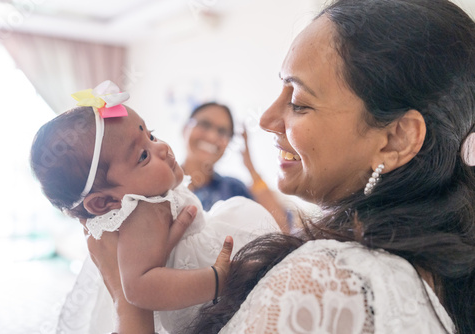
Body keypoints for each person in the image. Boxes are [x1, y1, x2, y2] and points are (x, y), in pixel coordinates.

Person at [85, 0, 475, 333]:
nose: (266, 119)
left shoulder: (328, 279)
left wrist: (128, 302)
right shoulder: (434, 265)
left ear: (395, 139)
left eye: (300, 102)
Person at [29, 81, 280, 333]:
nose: (160, 147)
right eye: (143, 155)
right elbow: (139, 288)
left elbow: (283, 220)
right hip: (204, 295)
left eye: (150, 135)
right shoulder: (143, 207)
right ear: (104, 202)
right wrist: (217, 279)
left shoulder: (213, 187)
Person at [182, 102, 292, 233]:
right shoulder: (161, 177)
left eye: (222, 132)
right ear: (185, 128)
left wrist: (250, 167)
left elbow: (281, 228)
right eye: (205, 124)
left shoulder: (232, 189)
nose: (212, 137)